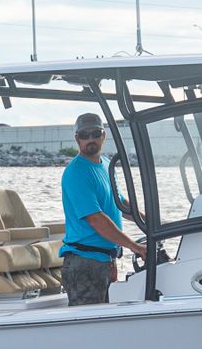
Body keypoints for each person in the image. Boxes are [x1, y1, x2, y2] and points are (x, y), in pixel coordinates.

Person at [60, 111, 145, 305]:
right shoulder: (76, 173)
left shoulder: (106, 165)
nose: (90, 139)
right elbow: (96, 219)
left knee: (106, 318)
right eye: (85, 135)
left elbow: (120, 203)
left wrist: (150, 224)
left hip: (105, 260)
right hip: (84, 264)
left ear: (103, 135)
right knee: (88, 322)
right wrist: (134, 246)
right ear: (77, 139)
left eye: (95, 134)